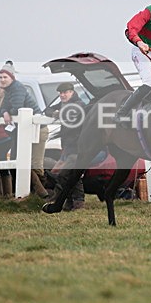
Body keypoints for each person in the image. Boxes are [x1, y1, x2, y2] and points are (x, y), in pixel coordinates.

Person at [0, 61, 50, 198]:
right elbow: (3, 108)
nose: (2, 80)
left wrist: (7, 111)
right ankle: (35, 194)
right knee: (17, 160)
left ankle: (42, 194)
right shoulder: (8, 90)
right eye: (0, 77)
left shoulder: (18, 88)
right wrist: (5, 112)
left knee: (34, 163)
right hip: (22, 130)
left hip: (36, 129)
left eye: (5, 77)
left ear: (12, 78)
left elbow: (17, 108)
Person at [43, 82, 86, 210]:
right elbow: (47, 110)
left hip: (77, 145)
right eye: (61, 93)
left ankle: (76, 202)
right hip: (68, 145)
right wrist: (55, 113)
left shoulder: (79, 104)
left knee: (67, 174)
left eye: (65, 92)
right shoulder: (65, 104)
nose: (62, 95)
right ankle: (72, 202)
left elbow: (70, 113)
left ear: (72, 92)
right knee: (71, 174)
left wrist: (58, 113)